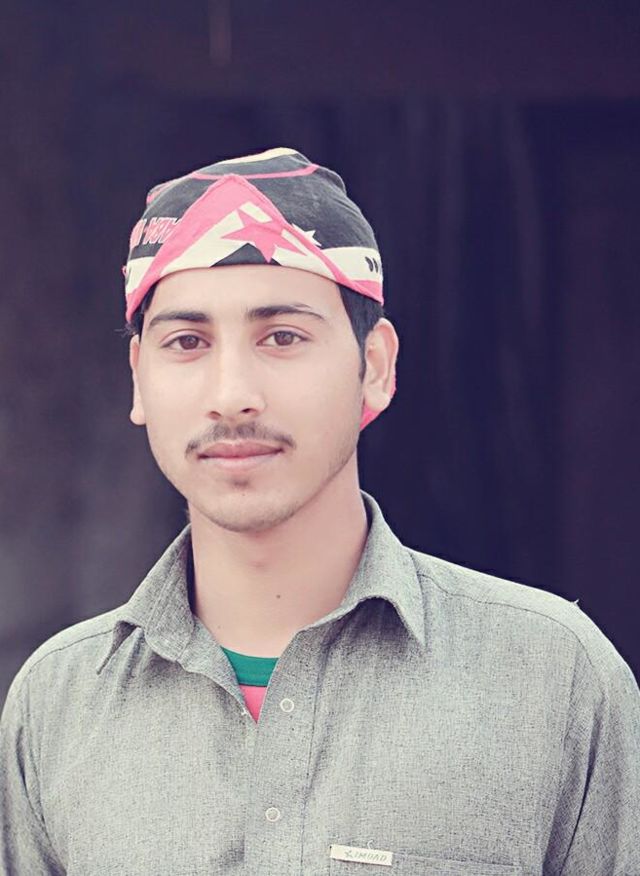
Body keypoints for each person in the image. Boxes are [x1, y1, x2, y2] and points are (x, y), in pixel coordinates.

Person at [1, 146, 638, 876]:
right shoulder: (58, 705)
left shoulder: (553, 679)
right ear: (139, 378)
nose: (232, 395)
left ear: (376, 368)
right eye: (187, 342)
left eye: (283, 337)